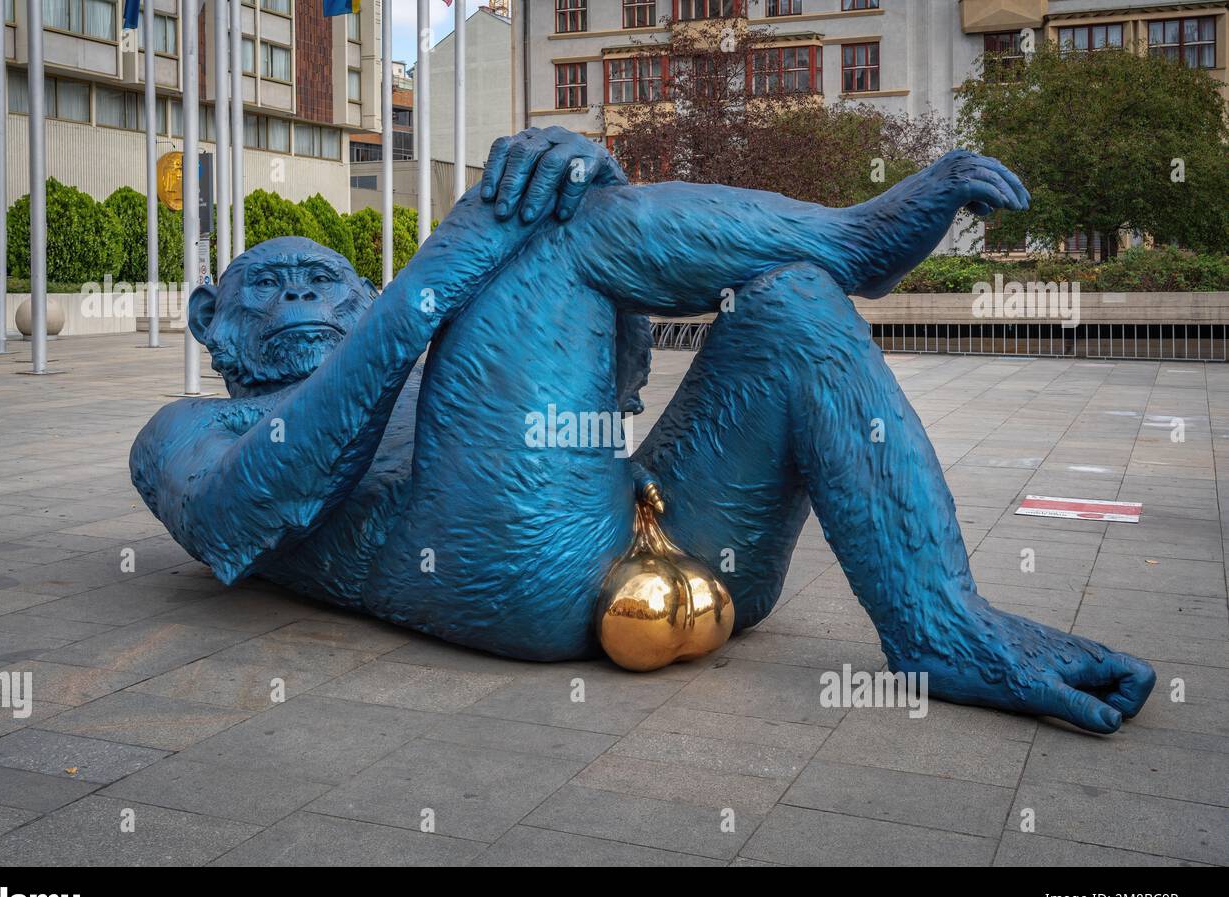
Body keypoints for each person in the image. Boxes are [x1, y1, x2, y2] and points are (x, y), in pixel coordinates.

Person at [131, 128, 1154, 734]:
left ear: (361, 302)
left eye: (328, 283)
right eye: (269, 285)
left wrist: (579, 184)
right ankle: (853, 239)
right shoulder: (183, 429)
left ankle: (937, 624)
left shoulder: (413, 360)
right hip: (511, 577)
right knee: (557, 227)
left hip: (682, 548)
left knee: (791, 301)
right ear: (208, 318)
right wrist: (436, 274)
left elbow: (615, 392)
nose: (301, 297)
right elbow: (246, 511)